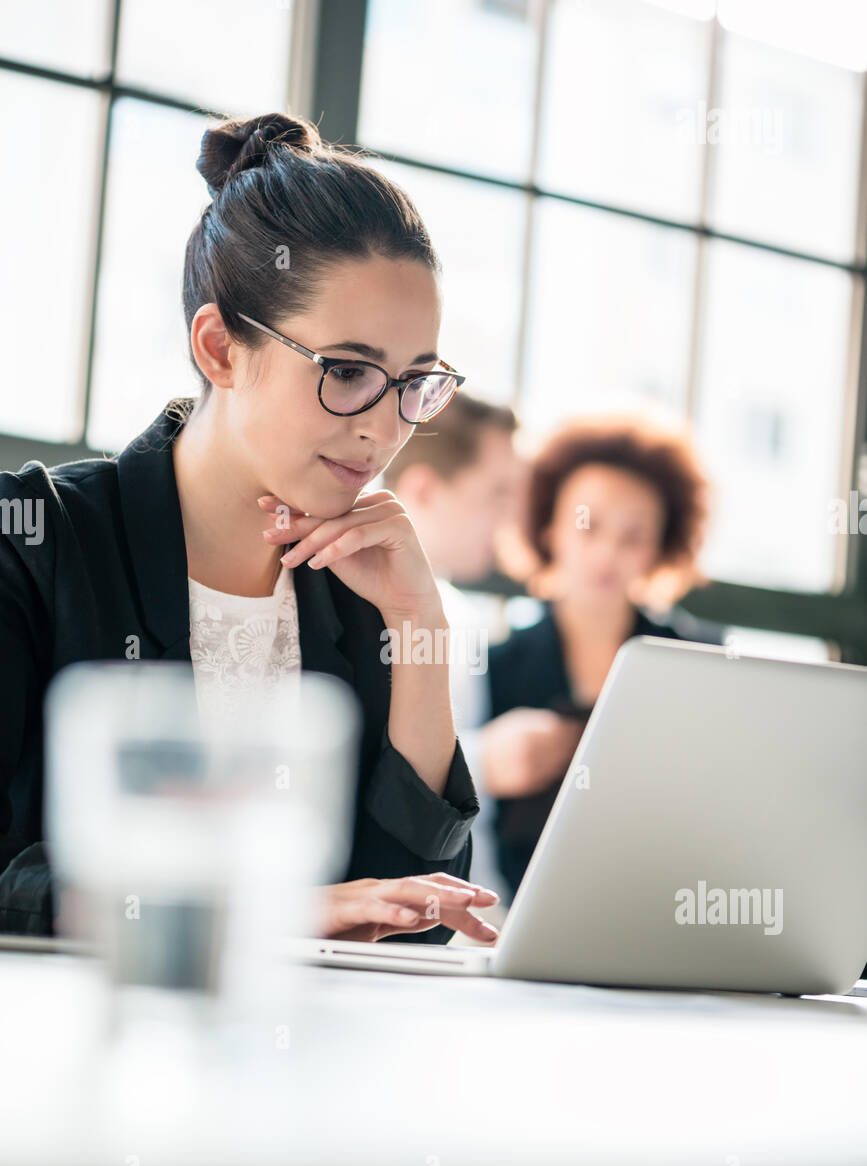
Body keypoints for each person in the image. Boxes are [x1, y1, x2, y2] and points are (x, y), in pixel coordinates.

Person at [0, 111, 500, 946]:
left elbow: (416, 919)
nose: (384, 429)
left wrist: (419, 629)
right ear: (220, 349)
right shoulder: (33, 542)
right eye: (346, 372)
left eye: (415, 382)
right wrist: (269, 913)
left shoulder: (360, 584)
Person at [481, 413, 716, 898]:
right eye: (589, 527)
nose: (608, 553)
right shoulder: (494, 665)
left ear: (657, 549)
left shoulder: (700, 666)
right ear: (549, 529)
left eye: (634, 536)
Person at [384, 392, 525, 912]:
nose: (509, 522)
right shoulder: (359, 604)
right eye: (496, 494)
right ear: (424, 490)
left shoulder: (461, 615)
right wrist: (488, 763)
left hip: (467, 915)